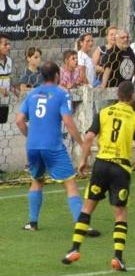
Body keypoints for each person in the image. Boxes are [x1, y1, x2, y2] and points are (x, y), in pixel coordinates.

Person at [61, 81, 135, 271]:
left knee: (88, 208)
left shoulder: (104, 113)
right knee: (120, 214)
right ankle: (117, 257)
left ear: (117, 95)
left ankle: (74, 249)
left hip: (101, 165)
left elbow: (89, 138)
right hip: (120, 169)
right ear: (132, 96)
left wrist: (83, 160)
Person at [15, 60, 99, 237]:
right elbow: (68, 122)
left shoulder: (32, 94)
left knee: (37, 180)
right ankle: (81, 224)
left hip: (33, 146)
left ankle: (32, 223)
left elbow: (19, 120)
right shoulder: (61, 94)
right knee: (70, 183)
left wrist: (30, 136)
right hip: (52, 146)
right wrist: (81, 141)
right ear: (56, 76)